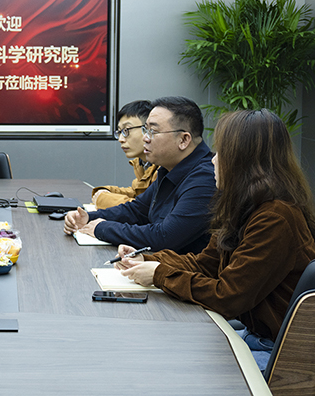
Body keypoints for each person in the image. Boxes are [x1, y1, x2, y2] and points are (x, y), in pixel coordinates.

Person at [116, 109, 315, 370]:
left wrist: (159, 274)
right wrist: (147, 259)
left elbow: (227, 297)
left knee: (173, 366)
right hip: (253, 337)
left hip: (277, 353)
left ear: (243, 161)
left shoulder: (275, 217)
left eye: (222, 153)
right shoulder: (245, 206)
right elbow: (205, 264)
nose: (213, 160)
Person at [64, 96, 215, 254]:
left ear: (183, 140)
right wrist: (88, 217)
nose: (145, 138)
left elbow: (164, 237)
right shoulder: (169, 169)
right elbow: (137, 210)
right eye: (145, 130)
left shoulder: (205, 178)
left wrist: (102, 228)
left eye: (153, 131)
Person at [91, 100, 159, 209]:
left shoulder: (163, 166)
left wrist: (103, 199)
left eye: (126, 130)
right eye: (120, 132)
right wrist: (104, 191)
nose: (121, 139)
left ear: (148, 129)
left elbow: (147, 209)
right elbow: (136, 192)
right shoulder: (142, 163)